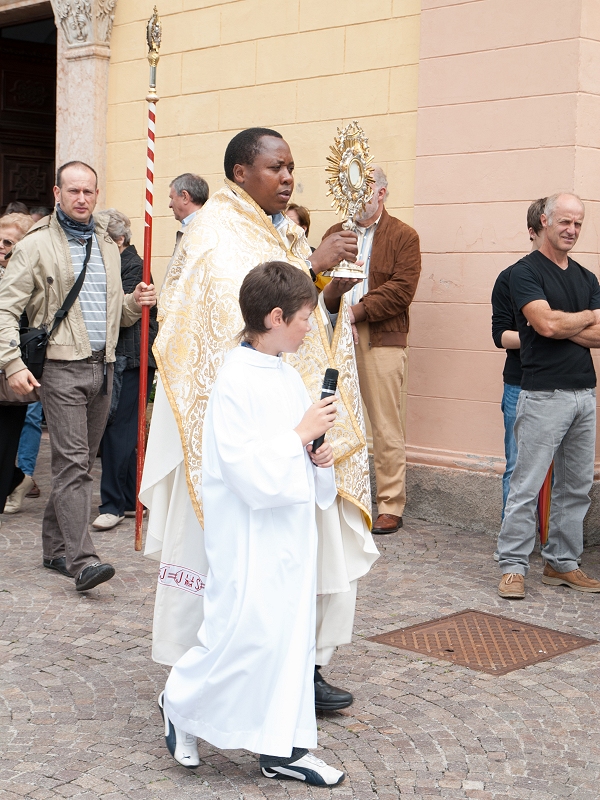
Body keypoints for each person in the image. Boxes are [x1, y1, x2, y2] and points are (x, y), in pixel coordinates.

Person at [141, 127, 378, 711]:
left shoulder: (288, 231)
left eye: (293, 166)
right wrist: (308, 265)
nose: (289, 177)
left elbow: (298, 320)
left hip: (298, 412)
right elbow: (222, 321)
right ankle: (209, 670)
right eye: (277, 167)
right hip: (244, 426)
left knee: (303, 546)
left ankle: (303, 664)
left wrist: (324, 289)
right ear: (241, 173)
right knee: (238, 556)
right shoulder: (214, 233)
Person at [160, 261, 345, 786]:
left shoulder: (286, 374)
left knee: (287, 637)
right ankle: (178, 702)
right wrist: (297, 437)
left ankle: (281, 747)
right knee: (243, 635)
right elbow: (241, 468)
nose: (311, 327)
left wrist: (316, 454)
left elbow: (294, 448)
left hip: (287, 533)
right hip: (247, 534)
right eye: (306, 318)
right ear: (276, 316)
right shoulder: (234, 379)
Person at [0, 161, 157, 591]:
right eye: (73, 191)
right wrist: (12, 363)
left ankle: (53, 547)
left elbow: (114, 313)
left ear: (97, 193)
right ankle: (82, 560)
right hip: (61, 368)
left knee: (81, 463)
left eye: (88, 191)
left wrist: (135, 301)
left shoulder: (107, 244)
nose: (82, 199)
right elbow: (5, 307)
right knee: (72, 464)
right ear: (57, 193)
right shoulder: (35, 245)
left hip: (104, 367)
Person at [497, 192, 600, 599]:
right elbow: (544, 325)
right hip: (542, 394)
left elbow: (593, 333)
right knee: (527, 484)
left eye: (578, 223)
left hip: (584, 393)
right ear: (544, 220)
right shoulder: (523, 273)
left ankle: (561, 562)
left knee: (576, 486)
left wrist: (564, 323)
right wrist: (583, 319)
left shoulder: (587, 278)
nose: (572, 230)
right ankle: (512, 566)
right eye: (565, 222)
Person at [321, 165, 421, 535]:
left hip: (379, 338)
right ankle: (340, 493)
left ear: (381, 193)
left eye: (361, 188)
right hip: (334, 337)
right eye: (347, 188)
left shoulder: (403, 236)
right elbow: (315, 280)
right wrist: (336, 310)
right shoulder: (335, 233)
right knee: (334, 418)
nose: (353, 196)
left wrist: (355, 313)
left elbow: (401, 290)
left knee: (384, 423)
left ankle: (390, 504)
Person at [92, 209, 158, 530]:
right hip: (122, 358)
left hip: (131, 360)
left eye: (101, 238)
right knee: (125, 428)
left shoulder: (133, 266)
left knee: (118, 428)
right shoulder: (114, 262)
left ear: (118, 240)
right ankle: (132, 498)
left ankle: (113, 504)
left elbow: (121, 312)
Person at [490, 198, 546, 560]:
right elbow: (500, 336)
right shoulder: (510, 278)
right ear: (533, 232)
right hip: (520, 384)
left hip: (560, 384)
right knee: (517, 467)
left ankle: (547, 538)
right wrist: (543, 334)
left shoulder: (576, 275)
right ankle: (511, 543)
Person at [0, 212, 34, 515]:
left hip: (10, 372)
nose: (0, 246)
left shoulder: (25, 275)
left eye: (7, 242)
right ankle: (19, 480)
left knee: (4, 443)